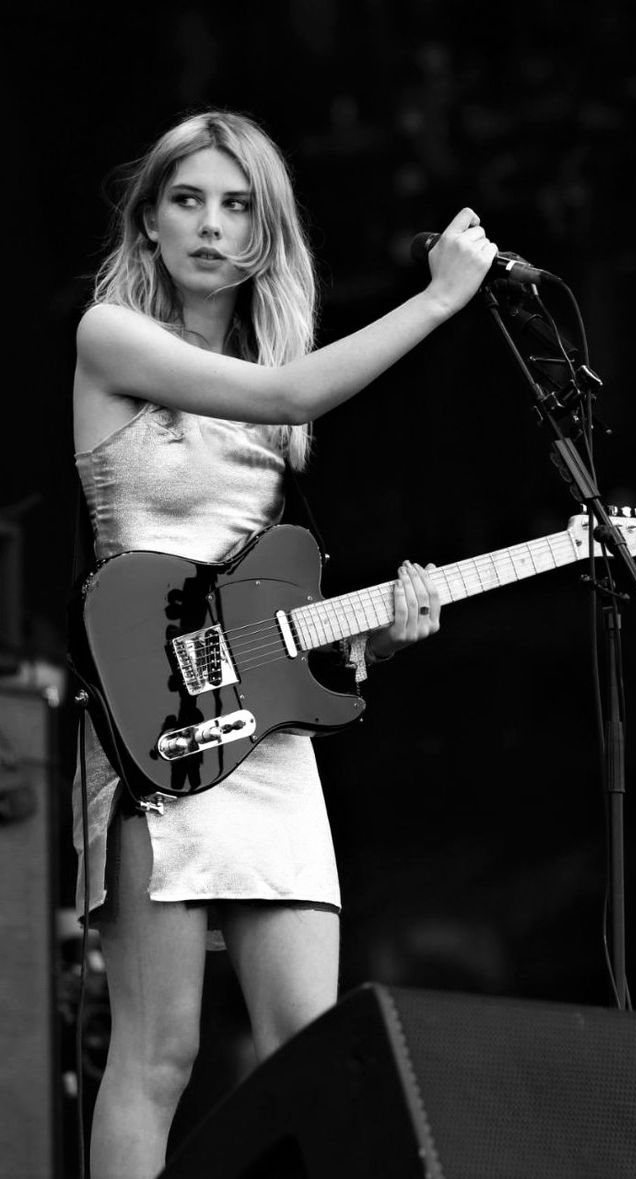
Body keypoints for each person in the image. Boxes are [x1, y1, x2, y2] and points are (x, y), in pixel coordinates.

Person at [71, 107, 496, 1179]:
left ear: (265, 234)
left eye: (238, 204)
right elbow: (289, 388)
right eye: (188, 200)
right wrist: (443, 298)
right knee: (156, 1054)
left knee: (315, 1049)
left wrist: (373, 643)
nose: (212, 226)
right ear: (149, 221)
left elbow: (269, 606)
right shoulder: (110, 338)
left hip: (265, 738)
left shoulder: (281, 403)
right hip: (150, 715)